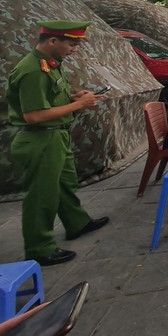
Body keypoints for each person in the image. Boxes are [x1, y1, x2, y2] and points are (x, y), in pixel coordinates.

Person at [6, 20, 109, 266]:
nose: (74, 49)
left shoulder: (50, 65)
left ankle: (77, 223)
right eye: (71, 44)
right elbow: (34, 116)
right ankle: (39, 248)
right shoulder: (33, 70)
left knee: (64, 185)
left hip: (55, 135)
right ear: (53, 41)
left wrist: (76, 96)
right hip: (40, 139)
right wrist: (78, 106)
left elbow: (51, 99)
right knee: (42, 196)